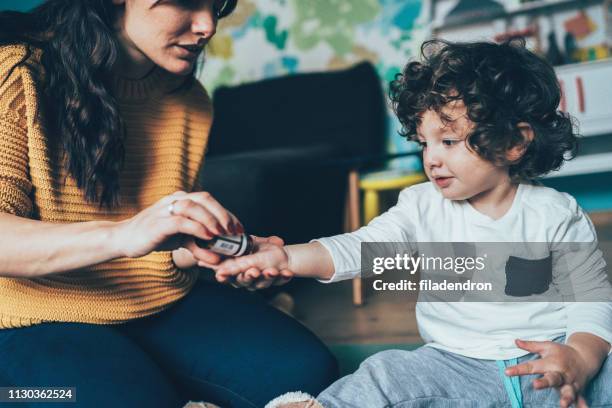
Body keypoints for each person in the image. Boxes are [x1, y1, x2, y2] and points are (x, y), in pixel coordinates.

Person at [215, 39, 612, 408]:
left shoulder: (558, 214)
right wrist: (285, 257)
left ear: (514, 143)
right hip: (455, 369)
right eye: (424, 142)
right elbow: (361, 247)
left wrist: (580, 357)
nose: (432, 158)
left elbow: (591, 302)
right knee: (384, 372)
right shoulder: (421, 206)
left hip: (552, 366)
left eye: (449, 141)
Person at [0, 1, 338, 407]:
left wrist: (212, 252)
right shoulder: (19, 74)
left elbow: (161, 242)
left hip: (154, 298)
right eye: (187, 1)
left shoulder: (188, 98)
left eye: (217, 5)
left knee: (307, 371)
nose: (208, 25)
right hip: (26, 315)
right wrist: (124, 234)